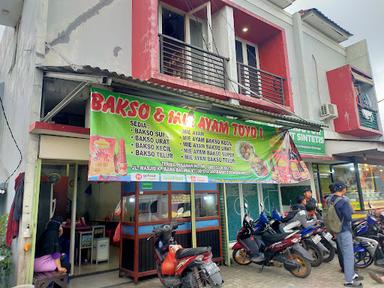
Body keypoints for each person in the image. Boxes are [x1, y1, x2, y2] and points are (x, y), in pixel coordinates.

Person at [327, 182, 363, 287]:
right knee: (348, 256)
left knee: (344, 253)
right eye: (345, 188)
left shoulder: (330, 200)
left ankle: (351, 275)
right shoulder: (343, 201)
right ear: (342, 189)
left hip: (336, 230)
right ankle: (348, 281)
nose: (346, 189)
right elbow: (349, 217)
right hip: (344, 230)